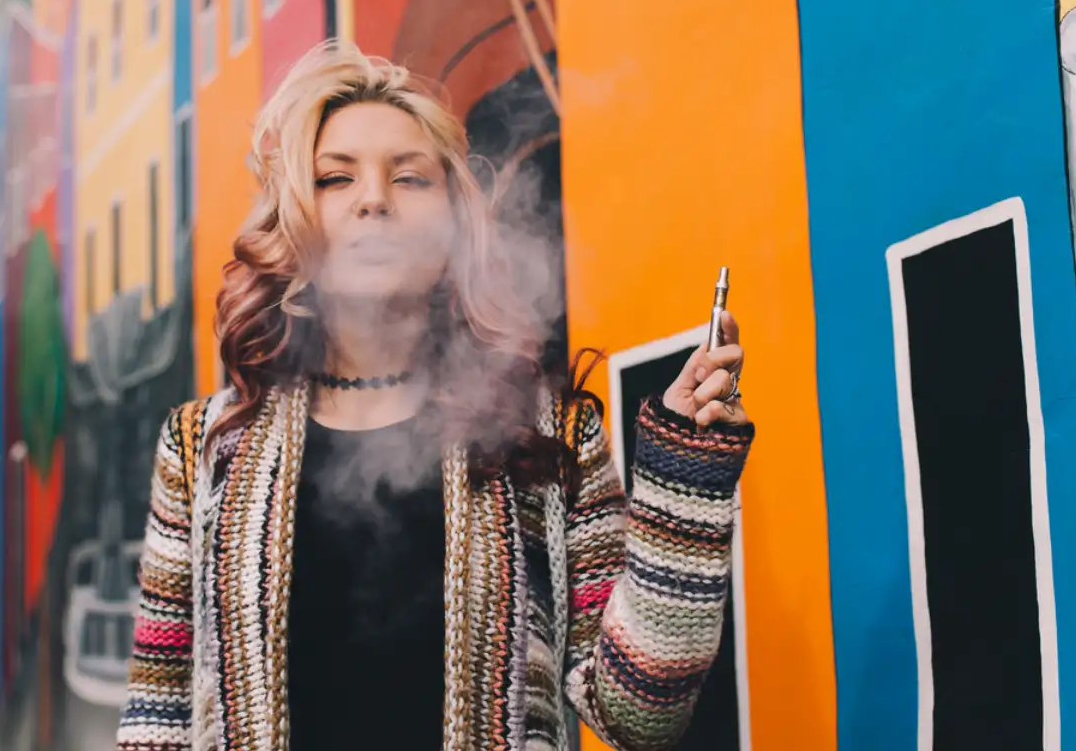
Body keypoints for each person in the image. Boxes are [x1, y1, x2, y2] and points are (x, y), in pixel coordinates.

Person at [114, 40, 754, 751]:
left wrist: (683, 479)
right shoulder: (204, 446)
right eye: (334, 178)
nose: (374, 201)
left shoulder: (550, 441)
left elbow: (640, 718)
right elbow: (157, 721)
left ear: (455, 223)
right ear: (293, 220)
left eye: (410, 178)